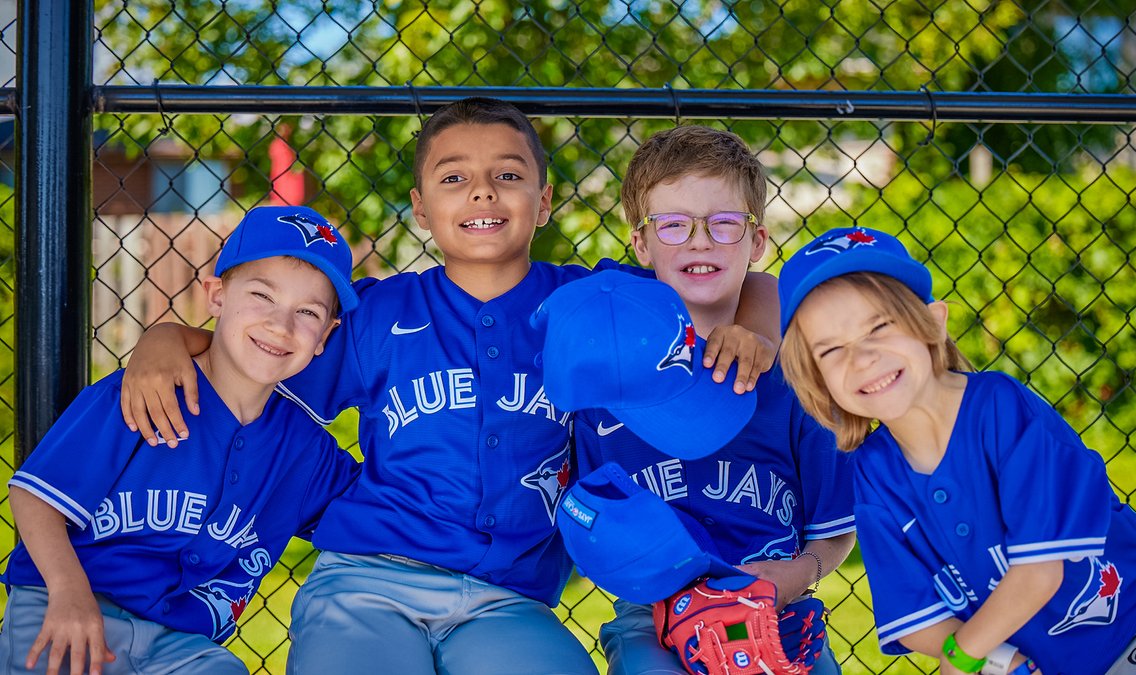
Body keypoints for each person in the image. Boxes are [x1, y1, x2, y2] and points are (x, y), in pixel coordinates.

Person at [117, 98, 781, 675]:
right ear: (421, 209)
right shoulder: (381, 313)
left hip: (507, 593)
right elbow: (258, 351)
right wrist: (167, 338)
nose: (483, 192)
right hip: (367, 579)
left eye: (509, 176)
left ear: (544, 201)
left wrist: (756, 333)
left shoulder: (589, 301)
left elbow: (752, 281)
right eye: (455, 177)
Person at [776, 226, 1136, 675]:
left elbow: (1041, 571)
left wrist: (962, 655)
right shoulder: (874, 472)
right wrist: (994, 659)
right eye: (831, 350)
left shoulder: (1001, 410)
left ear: (933, 322)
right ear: (816, 380)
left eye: (879, 326)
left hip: (1120, 652)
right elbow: (912, 614)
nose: (862, 357)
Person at [543, 126, 856, 675]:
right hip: (651, 609)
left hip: (775, 603)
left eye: (725, 223)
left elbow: (835, 530)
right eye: (673, 224)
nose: (700, 240)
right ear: (641, 244)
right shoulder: (610, 354)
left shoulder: (799, 376)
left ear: (757, 242)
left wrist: (796, 576)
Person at [0, 205, 361, 675]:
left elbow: (379, 509)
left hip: (181, 642)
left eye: (308, 311)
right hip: (69, 602)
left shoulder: (306, 451)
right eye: (261, 295)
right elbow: (33, 497)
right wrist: (69, 594)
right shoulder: (146, 391)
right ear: (216, 295)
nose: (281, 324)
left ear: (325, 336)